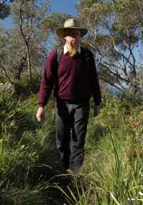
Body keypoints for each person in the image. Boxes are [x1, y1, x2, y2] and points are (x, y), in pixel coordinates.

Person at [36, 18, 101, 173]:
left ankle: (76, 173)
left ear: (80, 36)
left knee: (78, 140)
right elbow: (47, 81)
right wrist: (41, 106)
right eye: (71, 34)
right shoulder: (55, 56)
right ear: (64, 36)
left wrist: (97, 103)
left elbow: (94, 80)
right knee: (61, 140)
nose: (74, 37)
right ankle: (62, 170)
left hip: (82, 105)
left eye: (77, 34)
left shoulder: (87, 56)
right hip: (62, 105)